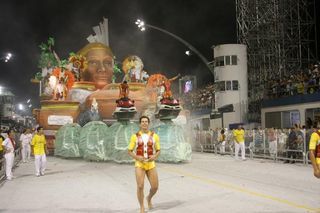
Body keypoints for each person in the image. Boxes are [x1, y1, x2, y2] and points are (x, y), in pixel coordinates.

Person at [128, 116, 160, 213]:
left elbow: (158, 150)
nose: (144, 123)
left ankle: (149, 198)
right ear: (140, 124)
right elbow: (129, 151)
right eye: (142, 121)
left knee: (155, 187)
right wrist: (137, 157)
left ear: (149, 123)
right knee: (140, 186)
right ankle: (142, 207)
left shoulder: (155, 136)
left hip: (151, 164)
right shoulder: (135, 136)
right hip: (139, 164)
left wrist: (155, 156)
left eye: (146, 121)